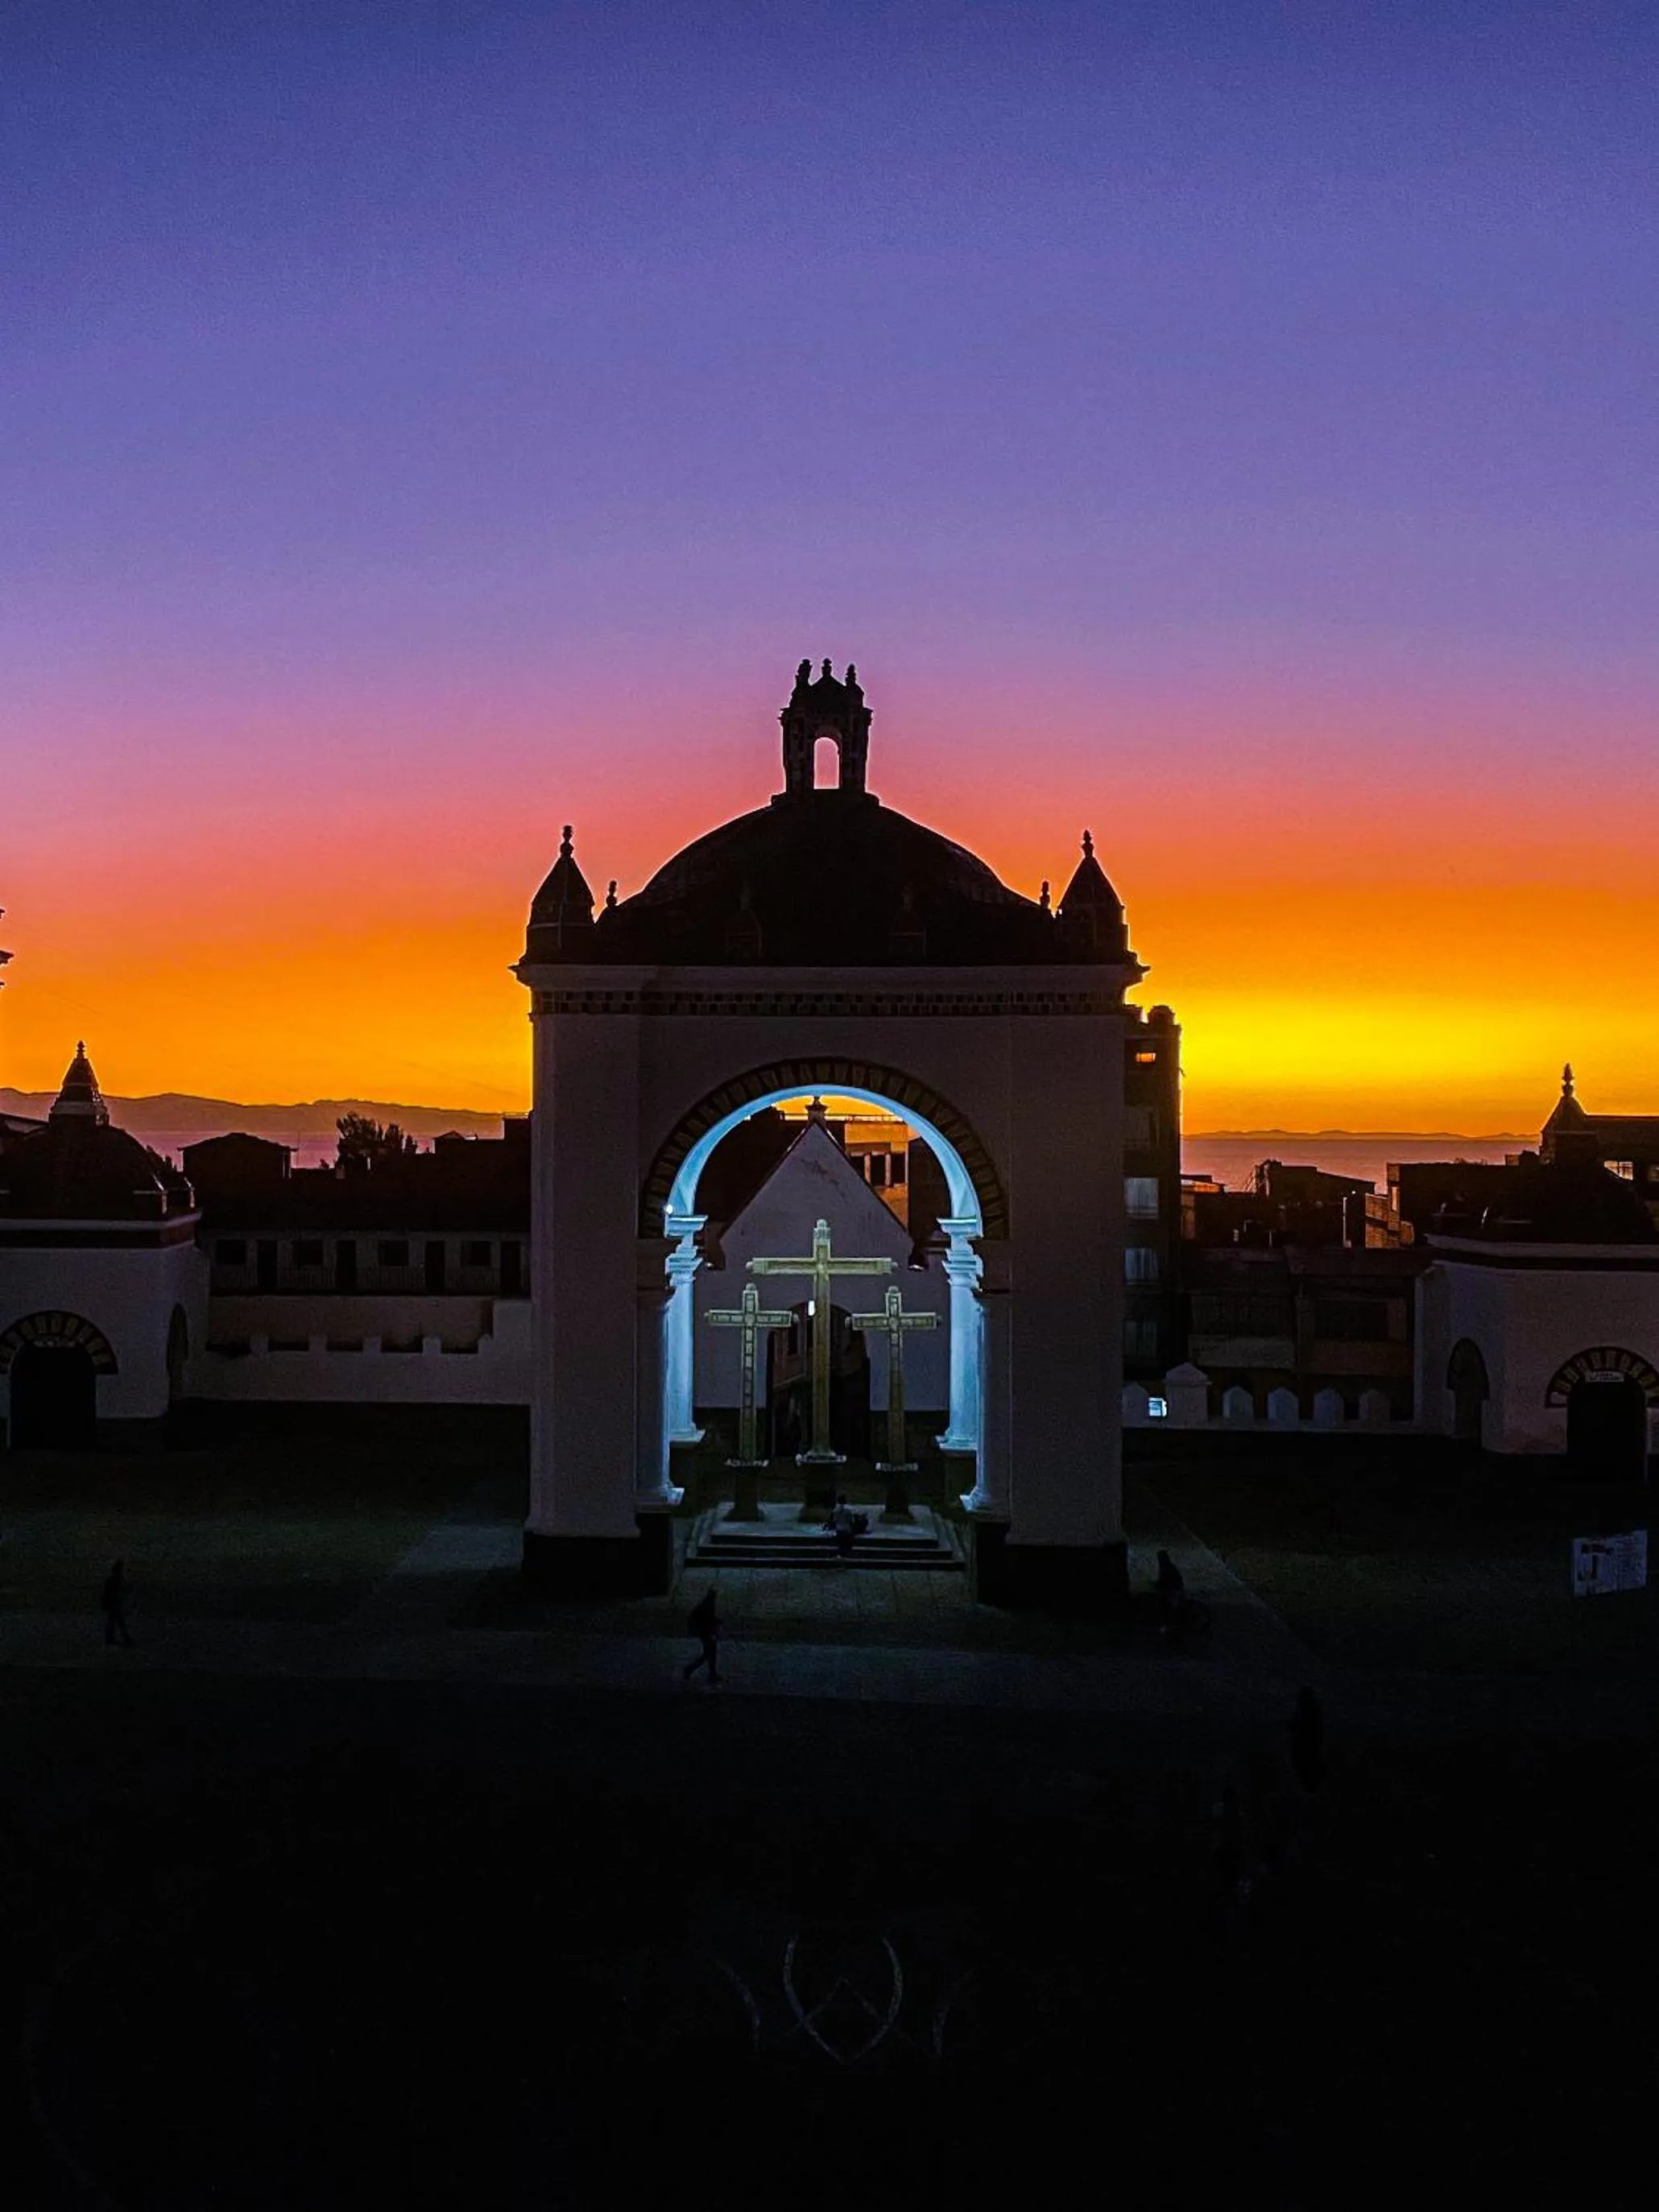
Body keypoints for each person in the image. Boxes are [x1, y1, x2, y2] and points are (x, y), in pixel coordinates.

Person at [1289, 1686, 1326, 1792]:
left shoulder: (1305, 1709)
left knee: (1305, 1763)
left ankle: (1310, 1786)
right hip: (1310, 1743)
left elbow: (1296, 1725)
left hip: (1306, 1743)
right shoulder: (1313, 1709)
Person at [681, 1588, 722, 1684]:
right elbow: (708, 1619)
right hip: (706, 1632)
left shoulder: (705, 1604)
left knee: (709, 1654)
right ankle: (694, 1670)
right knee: (709, 1654)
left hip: (704, 1632)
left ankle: (709, 1673)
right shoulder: (708, 1605)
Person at [101, 1558, 134, 1649]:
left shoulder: (113, 1579)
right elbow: (119, 1591)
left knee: (114, 1622)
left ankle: (112, 1638)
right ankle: (125, 1639)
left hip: (113, 1603)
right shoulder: (116, 1579)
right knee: (118, 1622)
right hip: (115, 1603)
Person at [1154, 1548, 1185, 1633]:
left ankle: (1169, 1625)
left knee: (1167, 1607)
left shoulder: (1166, 1568)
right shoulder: (1168, 1567)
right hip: (1173, 1591)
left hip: (1173, 1592)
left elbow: (1165, 1582)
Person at [827, 1495, 858, 1559]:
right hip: (847, 1530)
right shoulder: (849, 1510)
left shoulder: (835, 1510)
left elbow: (833, 1521)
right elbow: (852, 1521)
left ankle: (840, 1553)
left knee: (841, 1543)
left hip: (839, 1530)